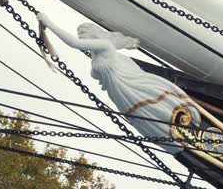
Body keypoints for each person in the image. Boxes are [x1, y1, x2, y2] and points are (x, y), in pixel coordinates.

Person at [37, 14, 200, 153]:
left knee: (157, 110)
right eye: (78, 33)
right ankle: (177, 141)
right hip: (121, 95)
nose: (79, 36)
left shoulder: (105, 46)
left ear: (94, 34)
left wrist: (48, 22)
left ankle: (186, 133)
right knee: (147, 119)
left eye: (82, 32)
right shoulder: (95, 58)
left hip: (132, 86)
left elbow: (74, 44)